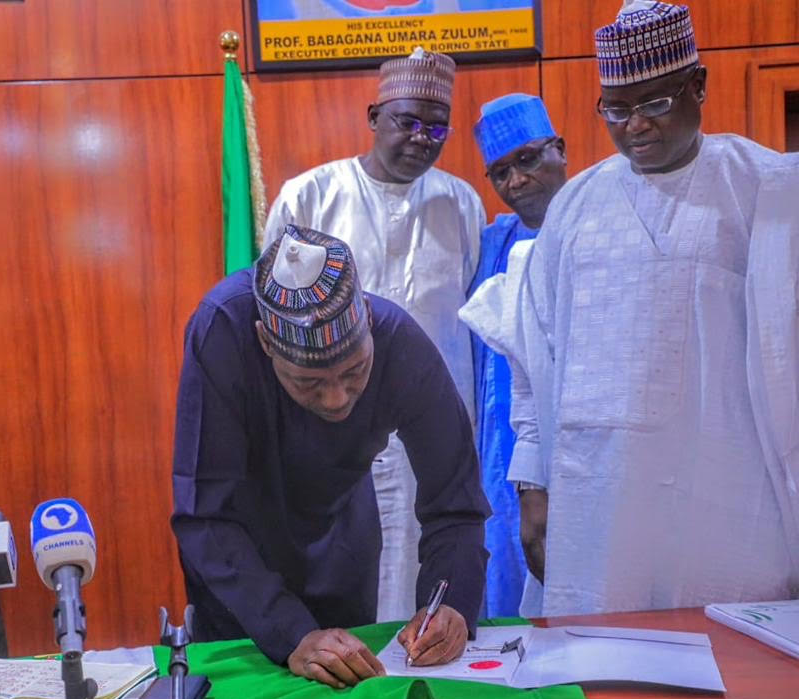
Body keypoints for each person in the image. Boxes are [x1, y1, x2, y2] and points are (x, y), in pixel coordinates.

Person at [508, 0, 799, 617]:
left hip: (728, 491)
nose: (634, 125)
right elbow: (533, 353)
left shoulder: (767, 190)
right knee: (605, 673)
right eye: (615, 109)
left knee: (735, 670)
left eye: (655, 103)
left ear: (699, 85)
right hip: (600, 498)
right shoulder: (575, 206)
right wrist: (533, 481)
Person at [172, 224, 488, 688]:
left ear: (368, 318)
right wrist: (291, 632)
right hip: (238, 566)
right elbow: (205, 513)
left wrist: (452, 604)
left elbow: (455, 502)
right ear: (265, 343)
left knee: (348, 688)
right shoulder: (222, 328)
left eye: (355, 371)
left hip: (341, 545)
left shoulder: (401, 343)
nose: (338, 399)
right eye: (309, 383)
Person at [262, 47, 484, 622]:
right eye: (406, 121)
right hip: (332, 430)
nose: (421, 137)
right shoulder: (310, 195)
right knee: (344, 583)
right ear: (373, 117)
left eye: (437, 127)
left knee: (428, 573)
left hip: (432, 434)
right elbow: (274, 314)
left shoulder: (462, 203)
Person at [464, 94, 567, 617]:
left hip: (574, 444)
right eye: (500, 172)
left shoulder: (592, 225)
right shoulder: (492, 241)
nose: (516, 181)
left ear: (559, 151)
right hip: (501, 449)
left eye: (527, 160)